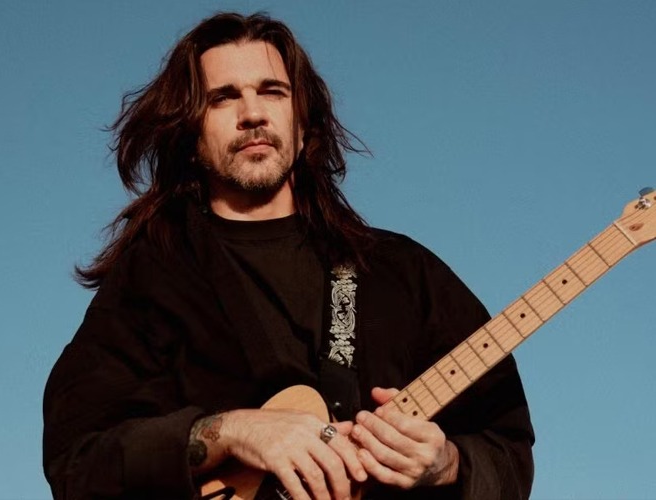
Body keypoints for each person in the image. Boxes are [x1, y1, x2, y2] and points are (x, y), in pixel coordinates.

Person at [43, 12, 534, 500]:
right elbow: (78, 459)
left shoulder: (403, 272)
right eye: (222, 98)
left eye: (273, 91)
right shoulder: (152, 279)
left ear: (303, 124)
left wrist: (449, 465)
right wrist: (230, 431)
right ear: (191, 138)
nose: (252, 113)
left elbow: (508, 449)